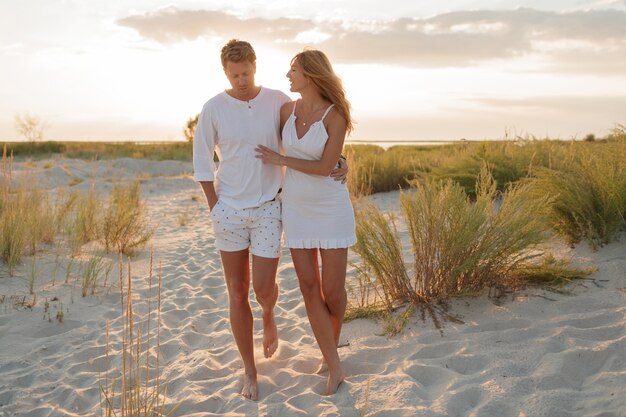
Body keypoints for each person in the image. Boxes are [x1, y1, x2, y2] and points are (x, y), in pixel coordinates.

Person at [193, 40, 347, 401]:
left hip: (267, 207)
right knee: (235, 291)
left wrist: (342, 160)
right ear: (225, 73)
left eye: (246, 73)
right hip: (228, 210)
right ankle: (249, 370)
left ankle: (268, 313)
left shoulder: (278, 100)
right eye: (234, 75)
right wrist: (214, 205)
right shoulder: (213, 107)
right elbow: (202, 162)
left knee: (263, 289)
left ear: (254, 66)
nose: (241, 80)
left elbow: (315, 126)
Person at [255, 49, 356, 395]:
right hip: (295, 208)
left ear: (310, 75)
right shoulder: (286, 109)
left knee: (334, 291)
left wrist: (283, 159)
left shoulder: (335, 115)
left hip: (330, 207)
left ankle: (331, 351)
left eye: (293, 69)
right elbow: (252, 120)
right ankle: (334, 364)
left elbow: (327, 167)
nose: (287, 75)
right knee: (308, 288)